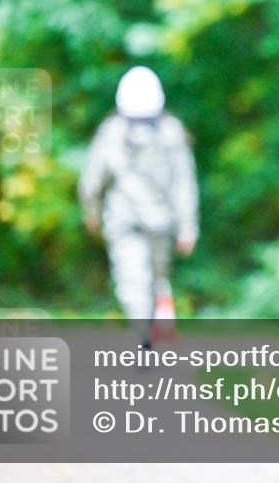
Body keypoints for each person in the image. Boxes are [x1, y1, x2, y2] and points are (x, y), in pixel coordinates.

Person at [79, 66, 199, 349]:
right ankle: (146, 337)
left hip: (134, 221)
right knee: (143, 280)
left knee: (140, 281)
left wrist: (92, 212)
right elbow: (184, 183)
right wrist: (187, 226)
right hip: (147, 222)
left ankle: (146, 333)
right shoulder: (170, 131)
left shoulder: (115, 131)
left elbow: (92, 181)